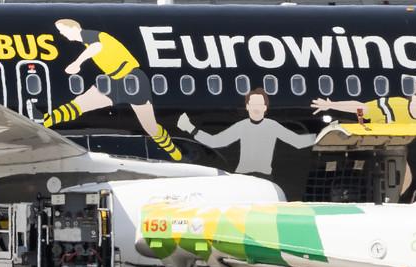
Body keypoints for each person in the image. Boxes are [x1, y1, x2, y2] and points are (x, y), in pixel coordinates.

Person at [42, 20, 182, 162]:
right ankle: (44, 121)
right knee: (79, 104)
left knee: (150, 127)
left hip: (132, 81)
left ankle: (174, 152)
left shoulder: (90, 35)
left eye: (62, 30)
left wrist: (76, 63)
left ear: (73, 28)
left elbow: (97, 47)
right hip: (114, 81)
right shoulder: (87, 40)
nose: (62, 33)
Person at [178, 89, 317, 178]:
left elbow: (297, 142)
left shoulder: (272, 126)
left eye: (259, 105)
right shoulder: (242, 126)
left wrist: (321, 136)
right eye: (253, 104)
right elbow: (215, 142)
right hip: (243, 177)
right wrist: (191, 128)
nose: (256, 108)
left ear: (265, 108)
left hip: (265, 178)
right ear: (247, 107)